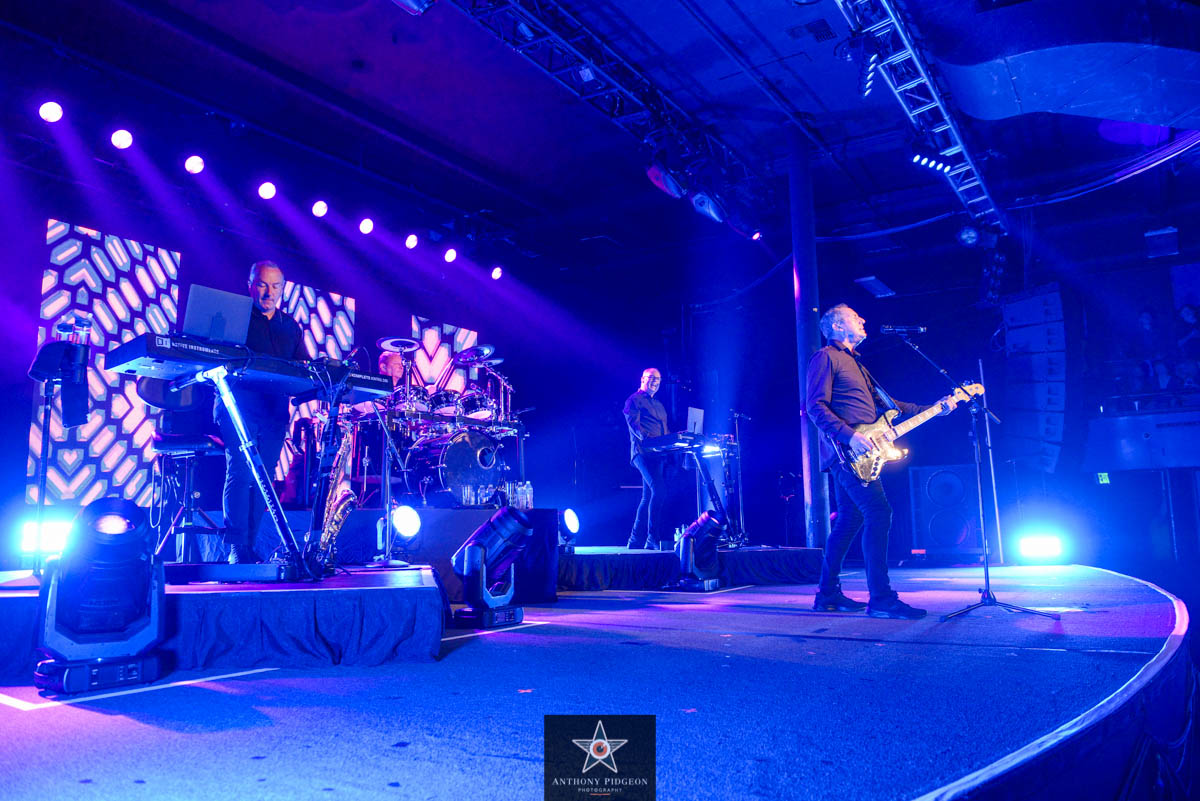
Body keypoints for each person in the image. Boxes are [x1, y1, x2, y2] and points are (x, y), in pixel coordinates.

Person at [806, 304, 956, 619]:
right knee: (878, 512)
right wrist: (849, 436)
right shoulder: (826, 357)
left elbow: (893, 407)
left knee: (850, 519)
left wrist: (935, 407)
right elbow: (815, 406)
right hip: (847, 451)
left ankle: (827, 594)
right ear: (836, 326)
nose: (862, 319)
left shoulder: (856, 364)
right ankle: (881, 599)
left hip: (861, 451)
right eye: (854, 317)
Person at [217, 260, 308, 564]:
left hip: (273, 412)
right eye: (262, 284)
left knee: (263, 481)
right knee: (241, 473)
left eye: (275, 286)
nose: (269, 292)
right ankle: (235, 547)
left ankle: (249, 547)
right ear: (251, 284)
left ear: (283, 289)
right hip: (238, 407)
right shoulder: (234, 317)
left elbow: (302, 368)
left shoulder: (290, 326)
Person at [624, 367, 672, 550]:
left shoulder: (658, 404)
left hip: (657, 455)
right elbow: (634, 425)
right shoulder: (634, 400)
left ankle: (634, 540)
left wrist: (672, 440)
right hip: (642, 453)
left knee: (647, 497)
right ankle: (652, 538)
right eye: (652, 378)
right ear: (643, 379)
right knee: (659, 491)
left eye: (658, 380)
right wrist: (647, 438)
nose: (655, 382)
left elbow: (664, 429)